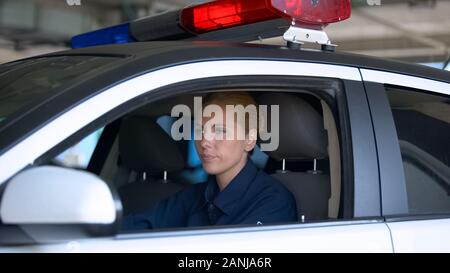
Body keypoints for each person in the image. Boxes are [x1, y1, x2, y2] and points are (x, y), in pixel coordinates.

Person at [122, 92, 297, 230]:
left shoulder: (273, 202)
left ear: (249, 140)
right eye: (200, 130)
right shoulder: (195, 196)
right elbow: (133, 227)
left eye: (220, 131)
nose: (205, 141)